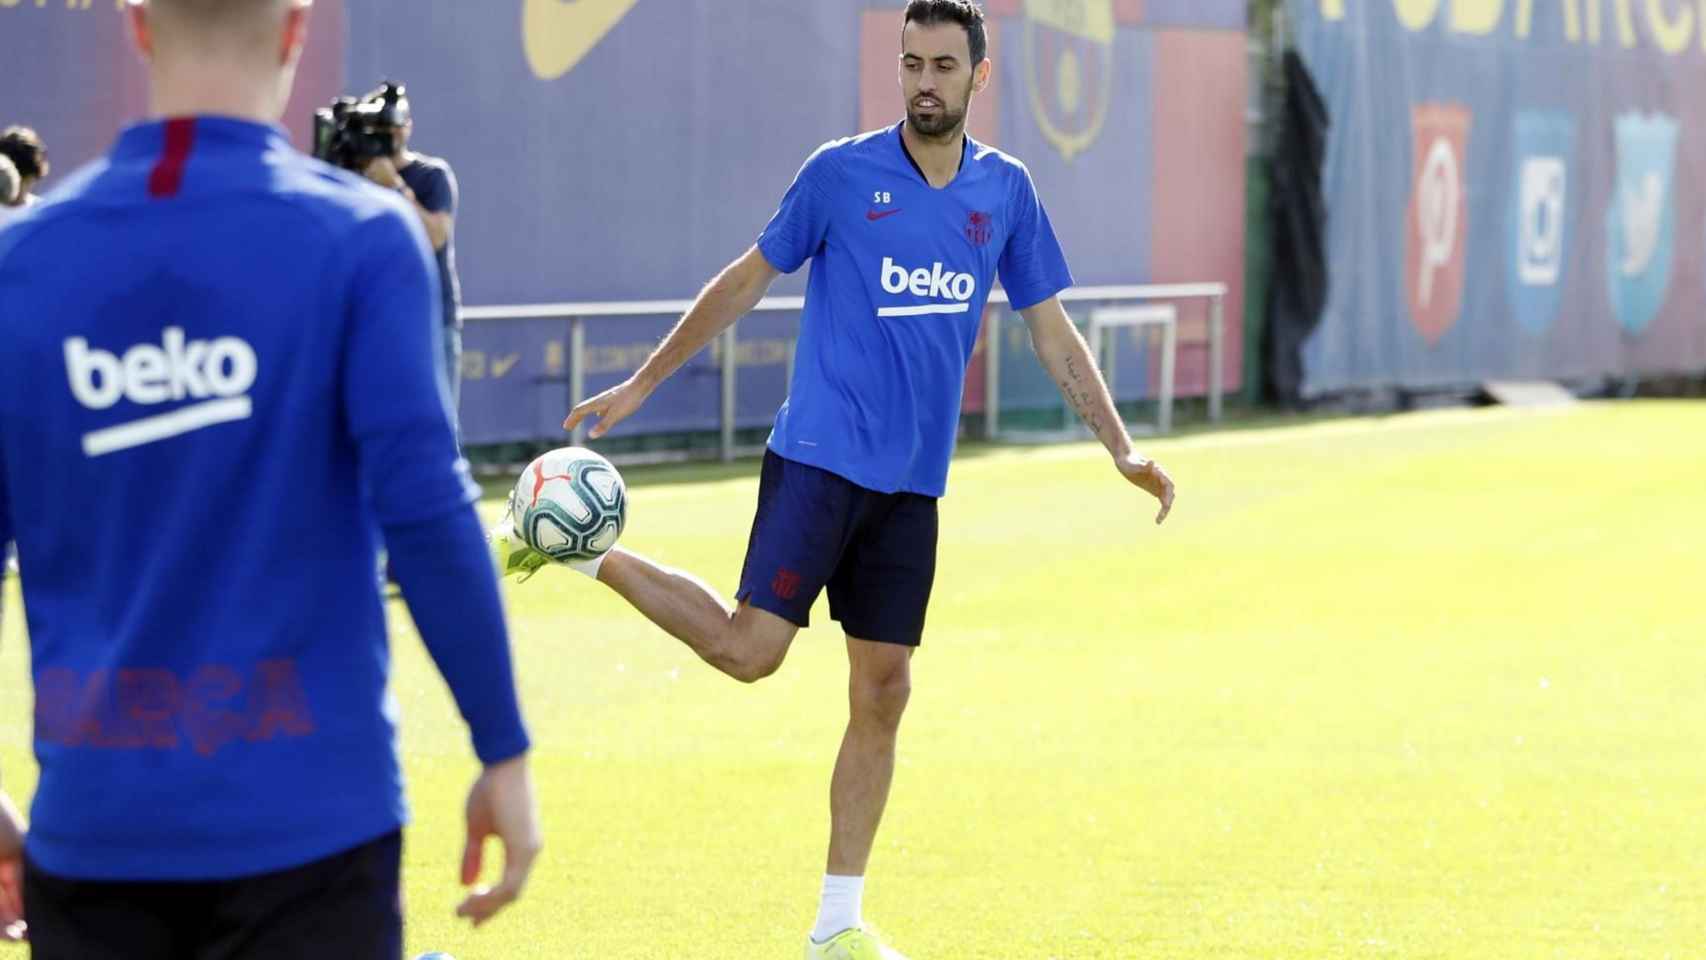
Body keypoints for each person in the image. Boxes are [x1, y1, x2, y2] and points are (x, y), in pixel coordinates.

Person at [561, 3, 1174, 957]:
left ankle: (837, 924)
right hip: (818, 461)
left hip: (911, 488)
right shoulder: (839, 174)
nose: (924, 81)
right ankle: (588, 551)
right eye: (910, 62)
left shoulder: (1005, 193)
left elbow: (1050, 328)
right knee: (749, 652)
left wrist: (1122, 450)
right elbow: (744, 279)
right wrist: (644, 380)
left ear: (980, 76)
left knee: (883, 690)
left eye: (942, 64)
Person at [0, 1, 541, 957]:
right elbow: (427, 514)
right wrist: (502, 746)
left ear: (138, 25)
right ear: (296, 30)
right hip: (314, 833)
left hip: (95, 837)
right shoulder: (365, 239)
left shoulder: (25, 261)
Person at [360, 98, 464, 421]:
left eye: (391, 129)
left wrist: (394, 185)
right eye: (377, 131)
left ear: (407, 128)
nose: (384, 137)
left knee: (439, 425)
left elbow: (435, 235)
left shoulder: (431, 175)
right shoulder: (355, 180)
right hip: (374, 320)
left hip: (432, 321)